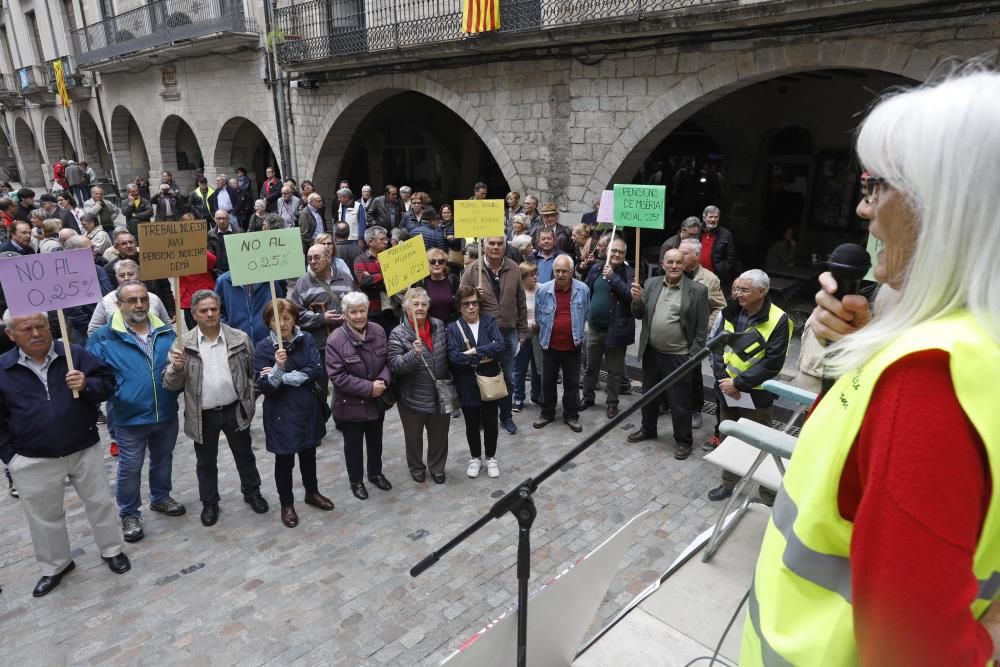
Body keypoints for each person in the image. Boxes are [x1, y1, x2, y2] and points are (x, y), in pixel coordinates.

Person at [744, 71, 1000, 666]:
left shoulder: (934, 375)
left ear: (945, 202)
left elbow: (910, 649)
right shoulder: (955, 349)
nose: (862, 207)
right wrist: (872, 342)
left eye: (876, 185)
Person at [0, 310, 130, 597]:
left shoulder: (73, 354)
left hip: (82, 446)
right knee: (44, 516)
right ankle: (55, 565)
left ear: (49, 326)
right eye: (26, 329)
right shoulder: (3, 368)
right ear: (10, 334)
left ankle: (111, 550)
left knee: (100, 503)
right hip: (32, 457)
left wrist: (86, 384)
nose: (36, 334)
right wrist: (11, 456)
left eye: (40, 326)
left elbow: (107, 384)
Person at [86, 281, 183, 543]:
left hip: (165, 410)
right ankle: (129, 513)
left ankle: (160, 498)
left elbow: (178, 373)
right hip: (128, 415)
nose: (139, 304)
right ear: (119, 305)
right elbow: (94, 376)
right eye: (132, 300)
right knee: (130, 467)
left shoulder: (167, 332)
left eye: (143, 299)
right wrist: (113, 394)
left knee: (163, 459)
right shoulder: (103, 337)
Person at [163, 290, 268, 526]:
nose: (210, 314)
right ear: (194, 314)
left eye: (214, 309)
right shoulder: (183, 345)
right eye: (204, 311)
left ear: (220, 310)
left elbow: (253, 371)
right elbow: (170, 385)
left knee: (245, 455)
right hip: (203, 414)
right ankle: (210, 503)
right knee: (206, 462)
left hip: (234, 409)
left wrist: (250, 398)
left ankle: (252, 492)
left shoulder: (239, 338)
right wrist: (176, 369)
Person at [706, 269, 791, 501]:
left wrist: (738, 383)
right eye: (736, 288)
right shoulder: (729, 312)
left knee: (760, 443)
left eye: (744, 290)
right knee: (729, 438)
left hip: (756, 395)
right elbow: (715, 348)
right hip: (727, 391)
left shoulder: (779, 320)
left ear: (761, 292)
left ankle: (767, 493)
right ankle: (727, 483)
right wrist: (724, 380)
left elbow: (772, 363)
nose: (737, 294)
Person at [253, 299, 334, 527]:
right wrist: (278, 368)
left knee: (309, 454)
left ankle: (312, 492)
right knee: (285, 460)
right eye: (276, 320)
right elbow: (266, 387)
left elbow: (315, 370)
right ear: (268, 322)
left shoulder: (306, 339)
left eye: (287, 318)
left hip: (307, 406)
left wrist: (282, 376)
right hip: (281, 412)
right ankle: (287, 504)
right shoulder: (263, 348)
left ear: (294, 319)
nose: (282, 324)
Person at [627, 249, 709, 460]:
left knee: (679, 401)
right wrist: (636, 300)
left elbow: (701, 329)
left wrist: (693, 356)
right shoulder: (651, 284)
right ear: (662, 264)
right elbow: (638, 314)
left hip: (679, 356)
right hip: (652, 352)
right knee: (649, 395)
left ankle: (683, 440)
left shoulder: (697, 290)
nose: (674, 266)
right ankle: (648, 428)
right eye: (670, 262)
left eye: (678, 262)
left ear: (685, 265)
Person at [325, 291, 392, 500]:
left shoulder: (379, 331)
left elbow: (388, 361)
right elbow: (338, 376)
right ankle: (356, 480)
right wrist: (368, 387)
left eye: (362, 311)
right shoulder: (335, 340)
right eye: (353, 312)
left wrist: (383, 381)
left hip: (376, 401)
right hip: (350, 405)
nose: (358, 316)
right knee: (353, 445)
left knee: (376, 440)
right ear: (345, 314)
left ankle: (375, 473)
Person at [460, 235, 530, 435]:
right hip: (483, 336)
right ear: (484, 245)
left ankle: (506, 416)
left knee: (508, 378)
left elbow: (521, 301)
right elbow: (461, 301)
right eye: (492, 243)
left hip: (508, 333)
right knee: (483, 377)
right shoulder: (472, 269)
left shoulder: (514, 267)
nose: (496, 247)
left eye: (500, 243)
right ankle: (482, 417)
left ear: (505, 246)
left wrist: (522, 330)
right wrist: (473, 294)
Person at [387, 287, 451, 484]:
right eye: (415, 304)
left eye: (424, 304)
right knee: (413, 437)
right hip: (412, 396)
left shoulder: (439, 326)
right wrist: (412, 355)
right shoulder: (398, 334)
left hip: (439, 392)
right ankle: (416, 466)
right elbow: (395, 365)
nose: (420, 308)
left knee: (440, 435)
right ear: (406, 308)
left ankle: (437, 467)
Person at [448, 286, 507, 478]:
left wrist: (473, 352)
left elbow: (499, 346)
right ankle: (475, 457)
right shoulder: (453, 328)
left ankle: (491, 457)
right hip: (467, 384)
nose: (472, 307)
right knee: (471, 424)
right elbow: (454, 358)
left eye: (474, 303)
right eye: (466, 304)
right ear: (459, 307)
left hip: (489, 380)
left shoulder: (489, 321)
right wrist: (484, 354)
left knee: (491, 422)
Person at [533, 255, 589, 433]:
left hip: (573, 346)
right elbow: (537, 314)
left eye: (564, 271)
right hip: (549, 345)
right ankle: (547, 412)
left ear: (571, 272)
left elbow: (585, 313)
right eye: (557, 270)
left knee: (572, 383)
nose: (561, 274)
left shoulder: (583, 289)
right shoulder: (543, 291)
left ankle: (571, 415)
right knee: (547, 382)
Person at [582, 235, 634, 419]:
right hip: (594, 328)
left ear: (625, 254)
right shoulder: (597, 268)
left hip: (616, 331)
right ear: (607, 251)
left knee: (614, 371)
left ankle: (612, 403)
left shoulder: (629, 273)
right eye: (614, 250)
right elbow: (587, 290)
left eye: (620, 251)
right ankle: (587, 397)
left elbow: (630, 296)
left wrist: (613, 278)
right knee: (590, 367)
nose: (616, 254)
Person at [679, 238, 727, 428]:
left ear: (696, 256)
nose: (679, 257)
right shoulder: (675, 272)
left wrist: (704, 327)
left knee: (692, 373)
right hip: (674, 333)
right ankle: (668, 404)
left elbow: (720, 307)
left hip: (695, 337)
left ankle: (695, 410)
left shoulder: (709, 279)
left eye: (684, 253)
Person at [291, 243, 354, 361]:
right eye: (309, 258)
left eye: (317, 257)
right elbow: (295, 315)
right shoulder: (302, 284)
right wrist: (321, 318)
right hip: (318, 346)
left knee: (346, 379)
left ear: (328, 258)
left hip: (346, 342)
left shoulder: (345, 279)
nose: (313, 261)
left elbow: (358, 306)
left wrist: (350, 314)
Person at [88, 260, 170, 335]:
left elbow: (166, 324)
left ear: (139, 275)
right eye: (122, 275)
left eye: (130, 274)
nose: (126, 278)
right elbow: (93, 330)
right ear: (117, 277)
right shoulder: (106, 301)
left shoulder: (153, 298)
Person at [215, 269, 286, 345]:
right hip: (236, 343)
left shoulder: (270, 279)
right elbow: (218, 310)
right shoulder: (224, 281)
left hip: (267, 341)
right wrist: (228, 330)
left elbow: (279, 306)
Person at [354, 226, 397, 334]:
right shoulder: (360, 260)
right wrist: (385, 276)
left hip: (393, 309)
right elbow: (364, 281)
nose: (386, 242)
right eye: (381, 239)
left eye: (385, 238)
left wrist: (374, 278)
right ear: (370, 242)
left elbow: (397, 277)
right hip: (373, 312)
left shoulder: (390, 257)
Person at [511, 262, 541, 411]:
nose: (535, 277)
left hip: (538, 335)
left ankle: (536, 395)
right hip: (522, 336)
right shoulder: (517, 291)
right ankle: (518, 397)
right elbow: (512, 314)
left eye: (536, 273)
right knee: (519, 369)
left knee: (537, 368)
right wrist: (526, 325)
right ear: (522, 277)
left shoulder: (541, 289)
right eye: (531, 275)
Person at [699, 205, 736, 289]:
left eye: (716, 217)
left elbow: (730, 258)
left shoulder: (726, 234)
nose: (713, 220)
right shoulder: (697, 231)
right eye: (710, 217)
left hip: (715, 277)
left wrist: (723, 272)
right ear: (704, 218)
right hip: (696, 274)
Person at [421, 247, 459, 324]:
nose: (437, 264)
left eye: (441, 261)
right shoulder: (422, 282)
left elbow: (459, 302)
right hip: (430, 327)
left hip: (450, 326)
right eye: (432, 261)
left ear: (445, 264)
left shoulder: (453, 279)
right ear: (427, 264)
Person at [208, 210, 237, 274]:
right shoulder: (210, 235)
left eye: (224, 218)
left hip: (235, 269)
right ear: (215, 219)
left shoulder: (238, 232)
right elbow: (210, 254)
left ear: (228, 219)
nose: (221, 221)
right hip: (219, 271)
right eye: (219, 218)